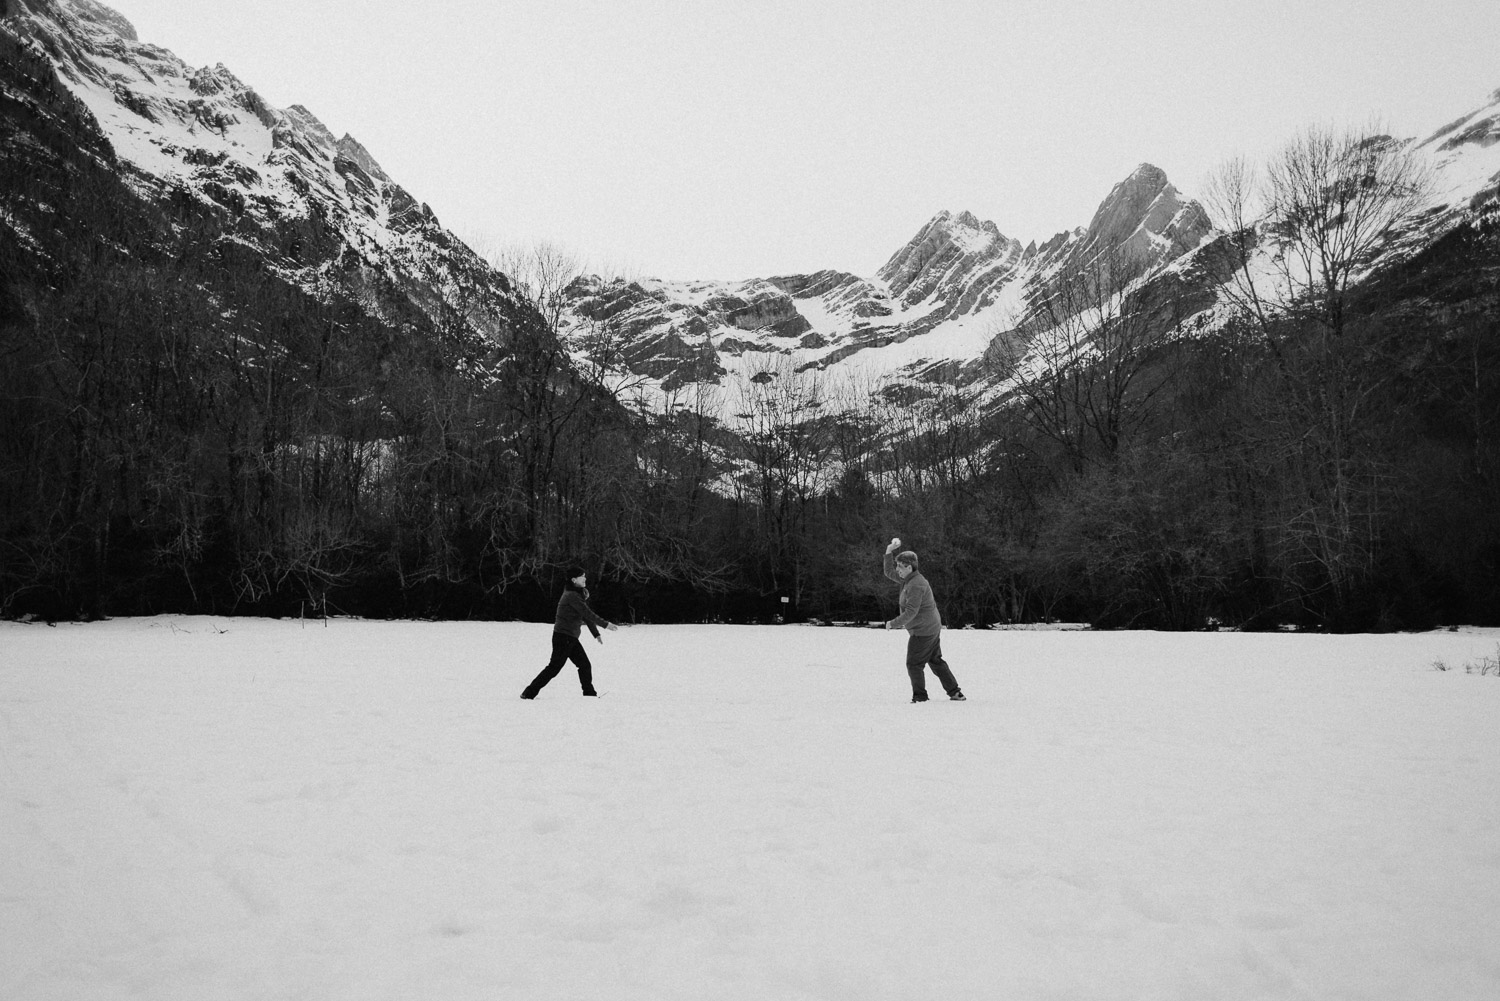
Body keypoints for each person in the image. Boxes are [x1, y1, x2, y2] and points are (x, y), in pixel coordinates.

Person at [882, 537, 965, 703]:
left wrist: (893, 623)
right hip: (930, 627)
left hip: (924, 631)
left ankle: (920, 697)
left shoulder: (916, 584)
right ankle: (955, 692)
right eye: (897, 565)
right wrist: (888, 552)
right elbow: (888, 572)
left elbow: (911, 612)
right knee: (935, 660)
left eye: (900, 566)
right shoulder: (907, 579)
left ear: (910, 567)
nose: (897, 569)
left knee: (913, 664)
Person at [521, 568, 618, 698]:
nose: (585, 578)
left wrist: (596, 633)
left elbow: (585, 616)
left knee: (584, 664)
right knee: (554, 668)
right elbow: (588, 613)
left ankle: (589, 694)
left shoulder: (576, 595)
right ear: (574, 580)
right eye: (582, 576)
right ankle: (529, 692)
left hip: (569, 638)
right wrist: (606, 625)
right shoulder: (571, 596)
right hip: (563, 637)